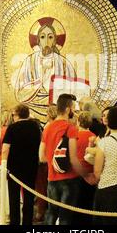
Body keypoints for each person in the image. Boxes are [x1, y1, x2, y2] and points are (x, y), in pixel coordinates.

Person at [39, 93, 90, 225]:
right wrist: (87, 175)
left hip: (52, 178)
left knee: (51, 213)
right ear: (68, 109)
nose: (74, 110)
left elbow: (42, 157)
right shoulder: (70, 128)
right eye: (73, 107)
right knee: (65, 217)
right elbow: (73, 159)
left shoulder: (47, 128)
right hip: (69, 179)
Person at [1, 104, 41, 225]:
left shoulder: (12, 128)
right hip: (31, 166)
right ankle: (27, 222)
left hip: (14, 168)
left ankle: (15, 222)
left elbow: (5, 149)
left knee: (14, 198)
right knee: (29, 198)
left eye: (13, 114)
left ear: (17, 115)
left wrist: (3, 165)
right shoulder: (35, 126)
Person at [35, 104, 57, 223]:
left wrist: (42, 159)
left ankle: (42, 213)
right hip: (57, 162)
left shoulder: (49, 127)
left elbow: (43, 148)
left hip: (47, 162)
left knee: (43, 188)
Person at [74, 111, 96, 225]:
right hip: (90, 172)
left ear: (78, 122)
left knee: (76, 202)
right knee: (88, 201)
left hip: (76, 173)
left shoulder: (74, 136)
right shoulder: (93, 137)